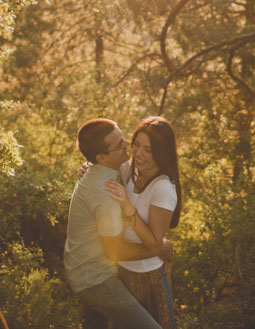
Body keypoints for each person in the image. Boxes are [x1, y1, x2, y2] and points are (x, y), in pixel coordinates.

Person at [64, 118, 168, 329]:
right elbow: (115, 252)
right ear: (101, 157)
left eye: (123, 137)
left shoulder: (106, 170)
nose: (127, 145)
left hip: (84, 269)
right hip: (96, 280)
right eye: (120, 144)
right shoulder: (106, 195)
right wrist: (159, 249)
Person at [104, 116, 182, 329]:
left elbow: (155, 244)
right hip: (120, 269)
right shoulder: (130, 168)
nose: (139, 153)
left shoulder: (163, 188)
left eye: (148, 150)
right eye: (136, 145)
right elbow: (104, 166)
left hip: (147, 276)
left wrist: (129, 207)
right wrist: (86, 169)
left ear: (161, 152)